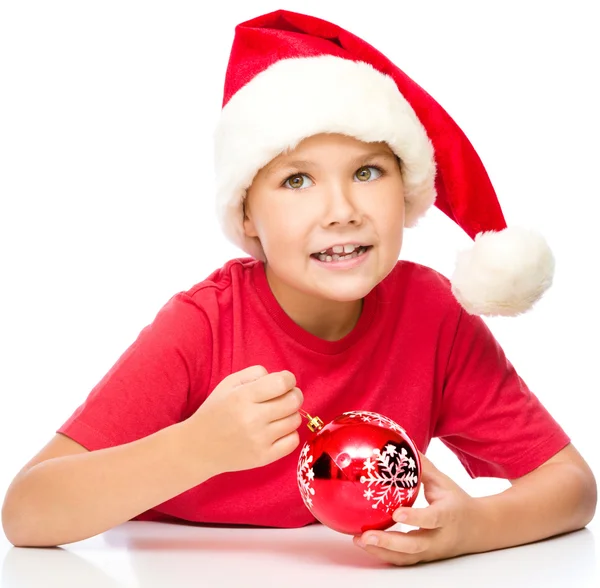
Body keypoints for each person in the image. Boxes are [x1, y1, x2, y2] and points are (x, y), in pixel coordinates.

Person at [2, 9, 596, 565]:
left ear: (409, 191)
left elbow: (572, 486)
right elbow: (27, 513)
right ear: (245, 218)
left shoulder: (433, 314)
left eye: (367, 172)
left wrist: (472, 529)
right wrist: (195, 449)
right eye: (296, 180)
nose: (340, 210)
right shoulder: (203, 325)